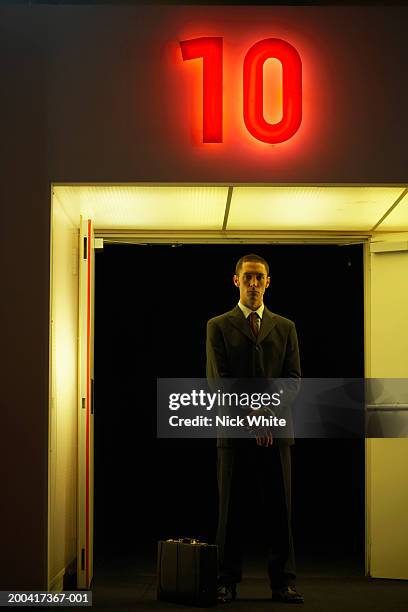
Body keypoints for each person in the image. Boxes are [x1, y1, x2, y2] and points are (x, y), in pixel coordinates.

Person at [206, 253, 304, 604]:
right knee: (230, 510)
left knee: (281, 509)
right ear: (236, 281)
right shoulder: (217, 325)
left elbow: (293, 380)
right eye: (247, 277)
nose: (253, 283)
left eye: (259, 277)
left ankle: (283, 583)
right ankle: (226, 580)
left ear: (268, 282)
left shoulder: (286, 326)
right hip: (234, 433)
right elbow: (221, 380)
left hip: (276, 432)